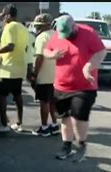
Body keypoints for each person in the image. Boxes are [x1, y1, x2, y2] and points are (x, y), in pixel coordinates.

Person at [44, 14, 107, 162]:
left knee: (78, 115)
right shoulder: (58, 35)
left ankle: (81, 145)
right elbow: (46, 51)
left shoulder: (89, 33)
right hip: (61, 86)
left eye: (68, 33)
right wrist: (52, 54)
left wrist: (89, 67)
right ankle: (66, 146)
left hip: (84, 86)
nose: (65, 37)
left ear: (74, 27)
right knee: (65, 117)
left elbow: (101, 52)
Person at [0, 4, 29, 133]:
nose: (3, 19)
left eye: (3, 16)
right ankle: (19, 122)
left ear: (8, 15)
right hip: (20, 67)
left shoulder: (10, 27)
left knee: (1, 95)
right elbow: (22, 47)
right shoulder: (23, 28)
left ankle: (4, 125)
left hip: (9, 69)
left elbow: (10, 46)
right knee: (17, 94)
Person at [30, 13, 59, 137]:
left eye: (38, 25)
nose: (37, 27)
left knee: (44, 102)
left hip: (45, 76)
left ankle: (44, 127)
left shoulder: (41, 37)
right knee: (53, 101)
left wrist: (34, 75)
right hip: (57, 76)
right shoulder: (59, 36)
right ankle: (54, 125)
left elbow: (39, 58)